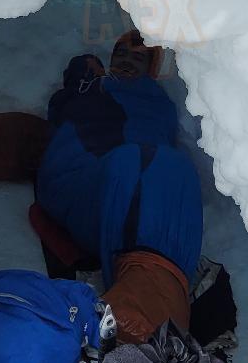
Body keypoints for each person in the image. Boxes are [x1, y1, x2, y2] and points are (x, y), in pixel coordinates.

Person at [33, 32, 203, 343]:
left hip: (136, 165)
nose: (126, 60)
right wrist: (86, 78)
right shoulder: (90, 87)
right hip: (79, 175)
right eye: (121, 54)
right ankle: (143, 318)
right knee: (132, 166)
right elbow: (63, 114)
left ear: (150, 70)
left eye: (137, 57)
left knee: (178, 170)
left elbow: (157, 131)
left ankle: (150, 304)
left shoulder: (157, 102)